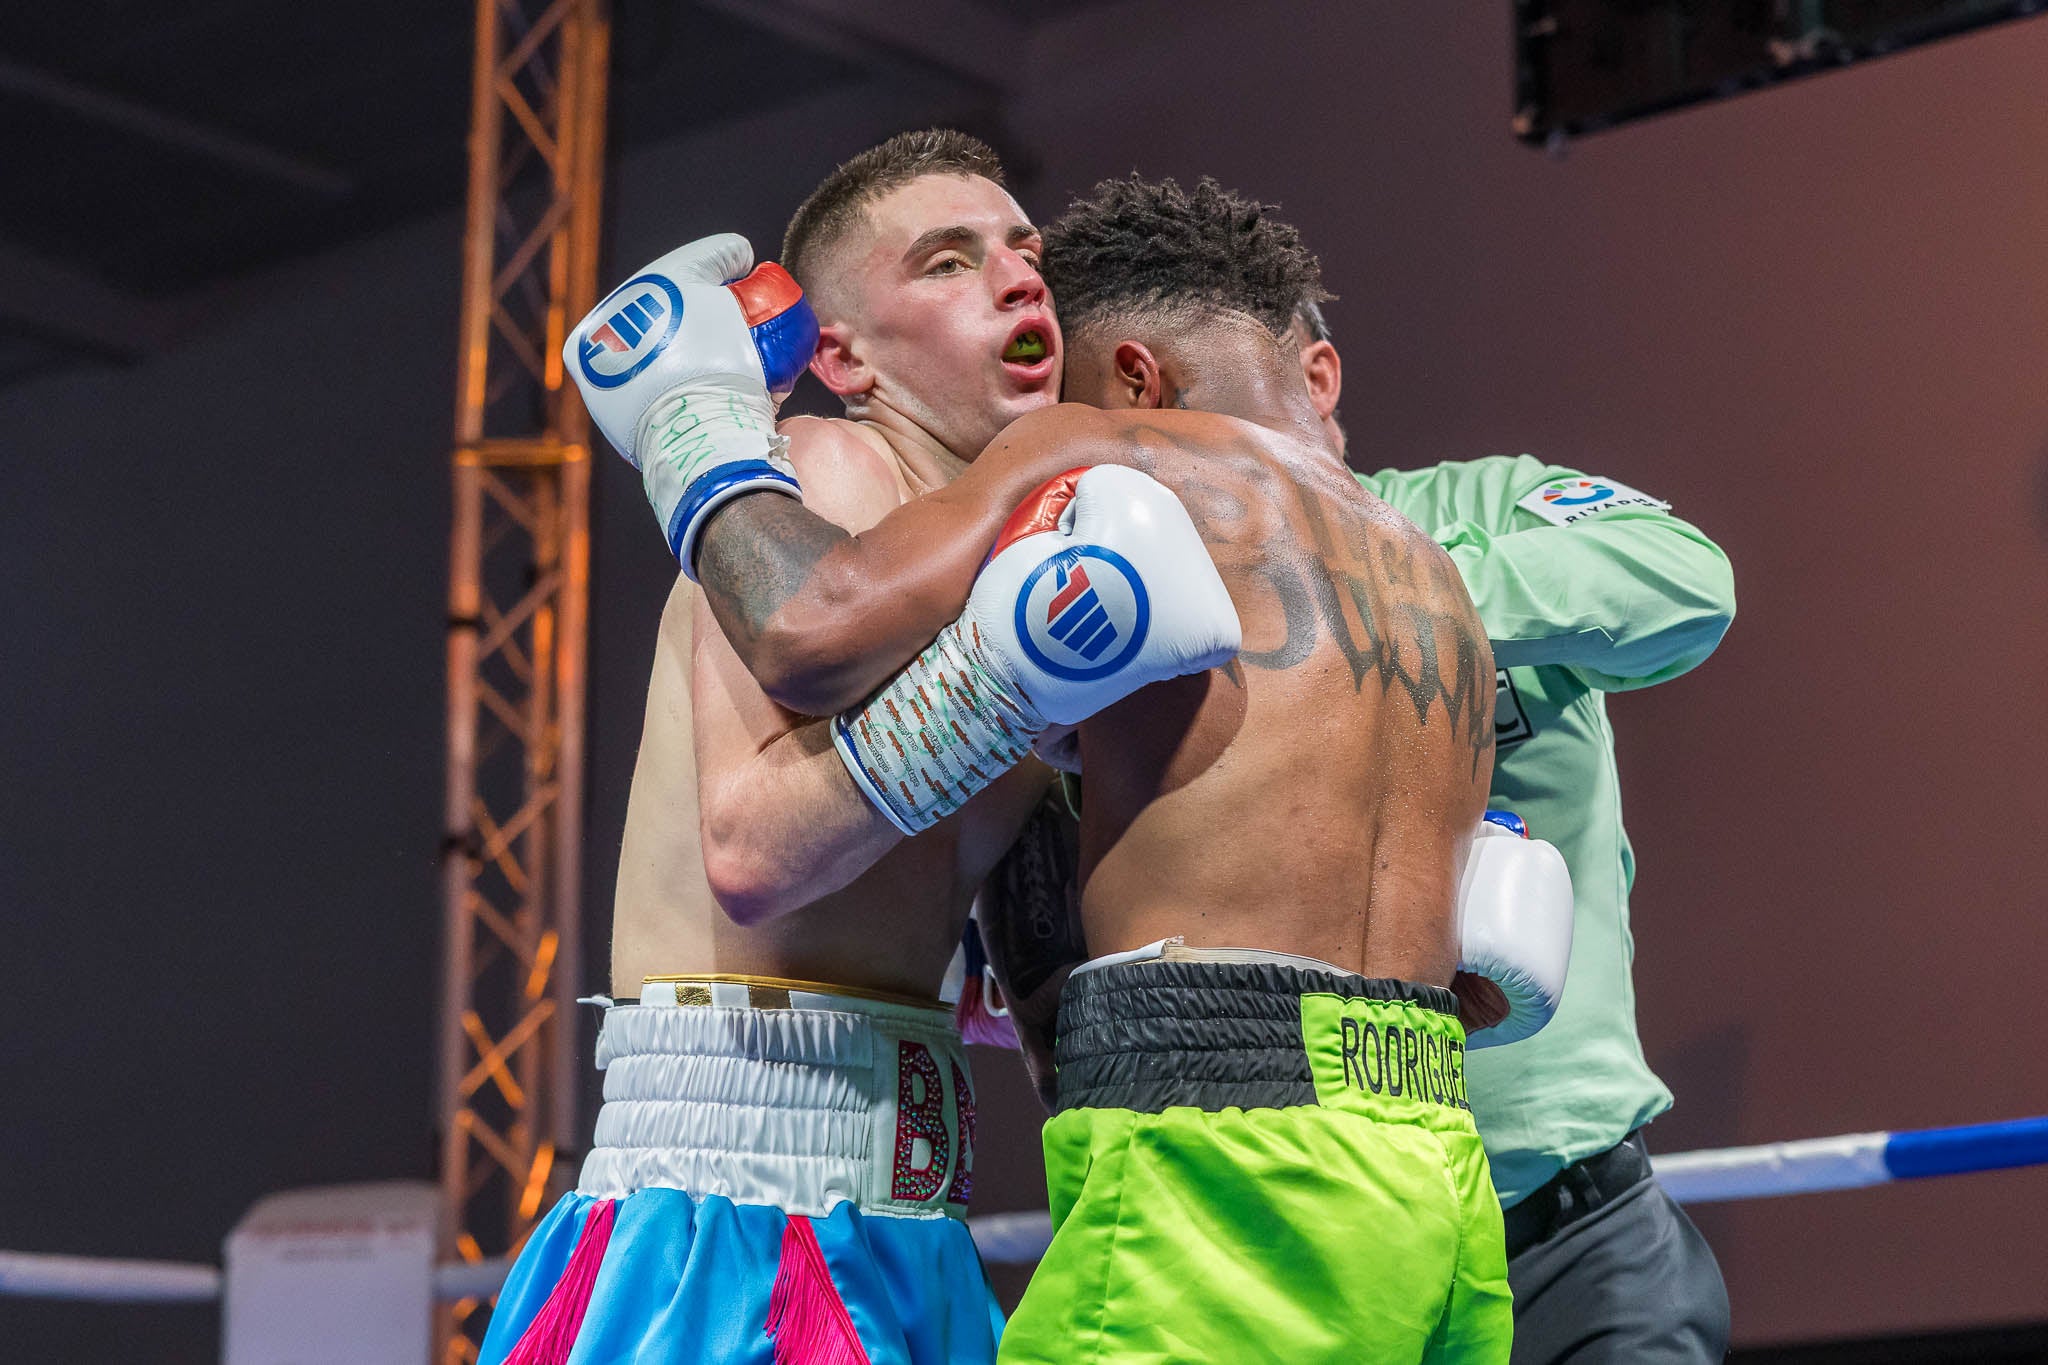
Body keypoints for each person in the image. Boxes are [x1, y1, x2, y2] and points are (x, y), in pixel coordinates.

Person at [666, 174, 1561, 1363]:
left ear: (1134, 379)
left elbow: (805, 630)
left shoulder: (1114, 451)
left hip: (1227, 1166)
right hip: (1434, 1171)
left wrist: (692, 430)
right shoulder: (1431, 577)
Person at [479, 130, 1234, 1365]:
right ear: (840, 355)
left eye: (1022, 252)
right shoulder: (814, 478)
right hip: (729, 1220)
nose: (1016, 278)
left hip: (908, 1204)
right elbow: (752, 855)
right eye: (947, 262)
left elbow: (1030, 971)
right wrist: (1008, 679)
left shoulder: (1019, 560)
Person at [1285, 298, 1738, 1363]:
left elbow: (1687, 582)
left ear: (1313, 379)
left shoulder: (1478, 504)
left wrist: (1381, 593)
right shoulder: (1163, 600)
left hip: (1572, 1232)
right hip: (1322, 1247)